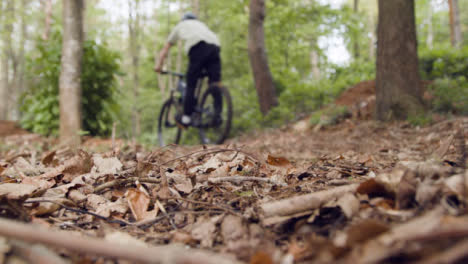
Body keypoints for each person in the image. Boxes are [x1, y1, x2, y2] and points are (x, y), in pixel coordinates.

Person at [154, 12, 222, 127]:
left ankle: (186, 118)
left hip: (198, 47)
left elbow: (165, 49)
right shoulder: (201, 24)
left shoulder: (180, 26)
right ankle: (218, 115)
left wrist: (159, 66)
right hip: (215, 47)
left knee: (191, 83)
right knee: (214, 82)